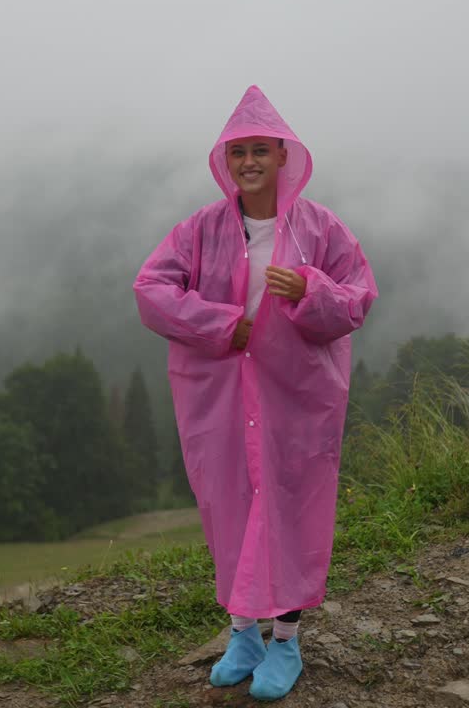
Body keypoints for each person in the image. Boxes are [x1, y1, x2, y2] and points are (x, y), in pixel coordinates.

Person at [133, 85, 377, 701]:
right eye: (238, 151)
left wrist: (306, 288)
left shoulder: (320, 228)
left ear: (283, 156)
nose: (249, 162)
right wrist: (222, 325)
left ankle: (286, 640)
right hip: (217, 392)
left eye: (261, 151)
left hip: (297, 393)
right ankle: (242, 632)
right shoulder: (200, 230)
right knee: (229, 501)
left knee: (293, 503)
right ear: (225, 161)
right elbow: (151, 291)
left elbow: (357, 299)